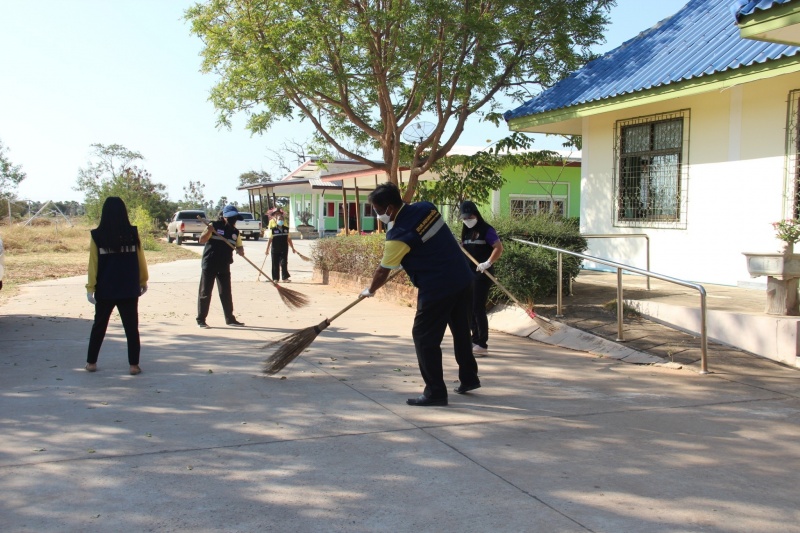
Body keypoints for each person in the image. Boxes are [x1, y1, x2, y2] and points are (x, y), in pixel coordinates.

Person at [361, 182, 480, 406]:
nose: (378, 215)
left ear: (389, 208)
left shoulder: (398, 234)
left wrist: (371, 289)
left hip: (438, 287)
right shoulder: (427, 207)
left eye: (378, 210)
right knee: (461, 331)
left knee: (424, 337)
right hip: (463, 279)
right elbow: (429, 239)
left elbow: (383, 270)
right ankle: (469, 378)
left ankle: (435, 392)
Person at [85, 197, 149, 375]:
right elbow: (140, 259)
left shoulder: (97, 235)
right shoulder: (132, 233)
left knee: (99, 326)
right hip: (128, 288)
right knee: (131, 328)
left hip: (106, 289)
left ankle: (91, 363)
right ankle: (134, 365)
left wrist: (91, 288)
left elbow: (93, 264)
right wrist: (143, 280)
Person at [459, 201, 504, 356]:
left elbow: (498, 248)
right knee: (469, 307)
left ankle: (482, 343)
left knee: (478, 307)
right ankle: (474, 338)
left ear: (476, 214)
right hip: (469, 274)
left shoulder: (487, 230)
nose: (467, 220)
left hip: (483, 273)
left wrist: (488, 262)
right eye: (464, 218)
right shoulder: (466, 231)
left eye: (470, 217)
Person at [196, 204, 246, 328]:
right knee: (205, 292)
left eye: (235, 218)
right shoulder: (213, 226)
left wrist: (240, 250)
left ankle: (230, 319)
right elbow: (202, 240)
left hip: (224, 264)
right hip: (210, 263)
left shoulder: (235, 232)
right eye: (231, 218)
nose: (233, 220)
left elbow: (239, 245)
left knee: (226, 293)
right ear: (224, 217)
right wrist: (209, 231)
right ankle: (201, 320)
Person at [265, 212, 296, 282]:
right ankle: (275, 278)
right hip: (275, 249)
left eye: (282, 219)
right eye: (279, 219)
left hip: (284, 249)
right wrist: (267, 249)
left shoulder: (286, 229)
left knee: (284, 263)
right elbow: (270, 240)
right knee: (275, 263)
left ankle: (285, 278)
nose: (280, 221)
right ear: (276, 220)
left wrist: (293, 248)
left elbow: (289, 239)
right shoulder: (273, 230)